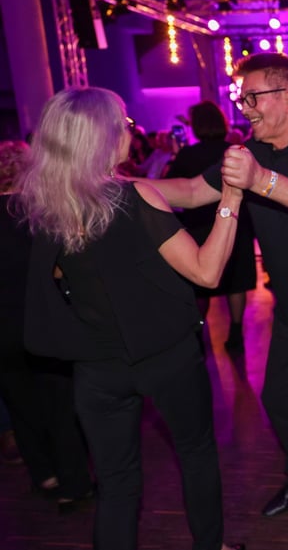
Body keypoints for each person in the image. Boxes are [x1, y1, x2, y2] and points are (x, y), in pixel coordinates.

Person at [138, 53, 288, 550]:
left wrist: (260, 181)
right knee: (278, 399)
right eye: (241, 98)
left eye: (252, 97)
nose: (244, 107)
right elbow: (191, 191)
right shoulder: (250, 152)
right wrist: (124, 187)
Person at [13, 87, 244, 550]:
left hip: (97, 367)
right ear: (100, 137)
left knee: (117, 485)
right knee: (196, 455)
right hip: (167, 357)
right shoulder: (136, 198)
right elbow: (207, 271)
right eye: (123, 122)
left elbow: (60, 279)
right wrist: (232, 200)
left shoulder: (52, 210)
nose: (131, 131)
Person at [0, 138, 94, 512]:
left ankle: (44, 474)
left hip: (3, 332)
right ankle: (73, 482)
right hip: (42, 324)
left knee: (20, 406)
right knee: (60, 405)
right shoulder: (40, 214)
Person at [165, 100, 257, 353]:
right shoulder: (236, 151)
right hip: (235, 223)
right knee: (236, 281)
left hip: (199, 224)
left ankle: (199, 334)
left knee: (200, 286)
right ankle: (236, 331)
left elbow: (171, 188)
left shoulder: (188, 155)